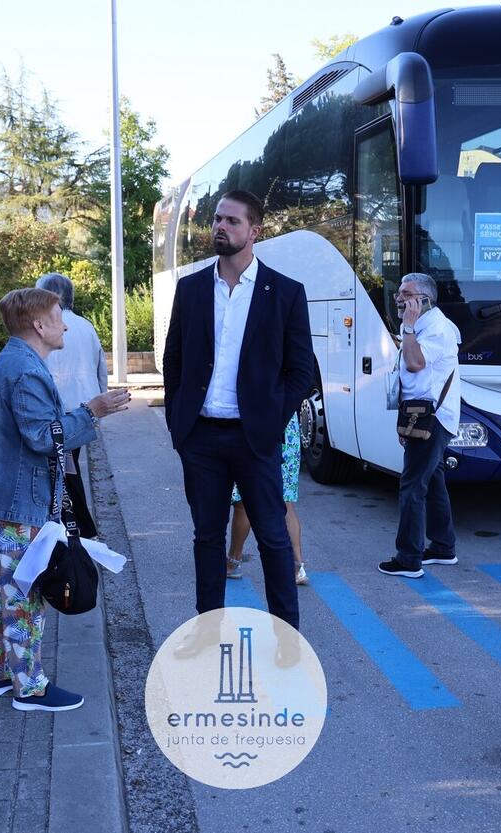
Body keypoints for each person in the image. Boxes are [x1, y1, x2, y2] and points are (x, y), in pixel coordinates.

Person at [0, 287, 130, 712]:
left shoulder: (13, 361)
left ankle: (0, 674)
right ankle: (30, 689)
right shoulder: (25, 370)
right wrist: (91, 411)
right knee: (24, 593)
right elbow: (43, 437)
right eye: (58, 317)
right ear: (39, 325)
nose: (65, 325)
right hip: (17, 503)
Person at [161, 189, 313, 660]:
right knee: (207, 538)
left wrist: (269, 420)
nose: (220, 227)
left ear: (254, 231)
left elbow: (301, 371)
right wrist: (179, 424)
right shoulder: (191, 289)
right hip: (202, 438)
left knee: (272, 539)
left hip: (255, 439)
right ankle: (207, 633)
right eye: (217, 219)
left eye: (231, 221)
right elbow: (173, 359)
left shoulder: (285, 292)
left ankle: (287, 640)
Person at [378, 273, 463, 579]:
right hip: (423, 416)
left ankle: (409, 559)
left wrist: (409, 327)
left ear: (425, 299)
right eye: (400, 293)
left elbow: (415, 364)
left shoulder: (437, 329)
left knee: (412, 487)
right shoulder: (422, 326)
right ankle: (443, 547)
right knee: (434, 481)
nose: (399, 299)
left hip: (433, 419)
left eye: (406, 294)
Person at [35, 272, 108, 538]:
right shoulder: (86, 325)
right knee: (68, 465)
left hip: (57, 411)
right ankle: (78, 525)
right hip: (86, 406)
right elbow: (101, 368)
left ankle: (77, 526)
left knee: (63, 470)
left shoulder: (44, 326)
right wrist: (100, 400)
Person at [227, 415, 308, 585]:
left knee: (243, 502)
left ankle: (233, 561)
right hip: (287, 428)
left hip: (255, 431)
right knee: (285, 502)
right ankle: (297, 567)